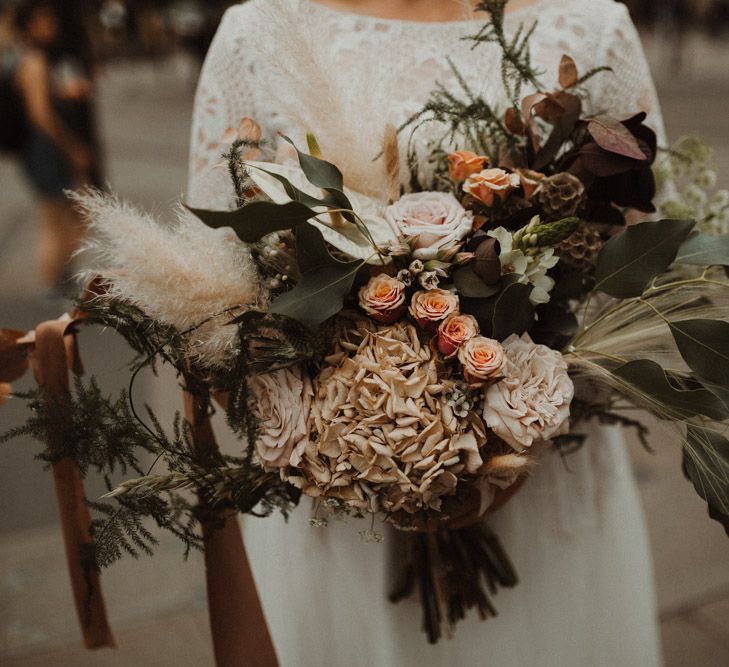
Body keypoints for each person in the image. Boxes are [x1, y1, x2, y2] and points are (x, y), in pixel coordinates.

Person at [188, 1, 664, 664]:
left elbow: (638, 256)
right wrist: (353, 436)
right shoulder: (258, 30)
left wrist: (506, 425)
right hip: (342, 501)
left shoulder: (587, 21)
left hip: (543, 478)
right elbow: (215, 293)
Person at [13, 0, 102, 294]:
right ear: (29, 26)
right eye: (43, 20)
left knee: (76, 214)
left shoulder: (42, 58)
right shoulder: (34, 60)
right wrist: (71, 146)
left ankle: (61, 278)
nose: (51, 25)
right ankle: (53, 286)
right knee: (55, 220)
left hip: (46, 149)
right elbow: (40, 114)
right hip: (45, 150)